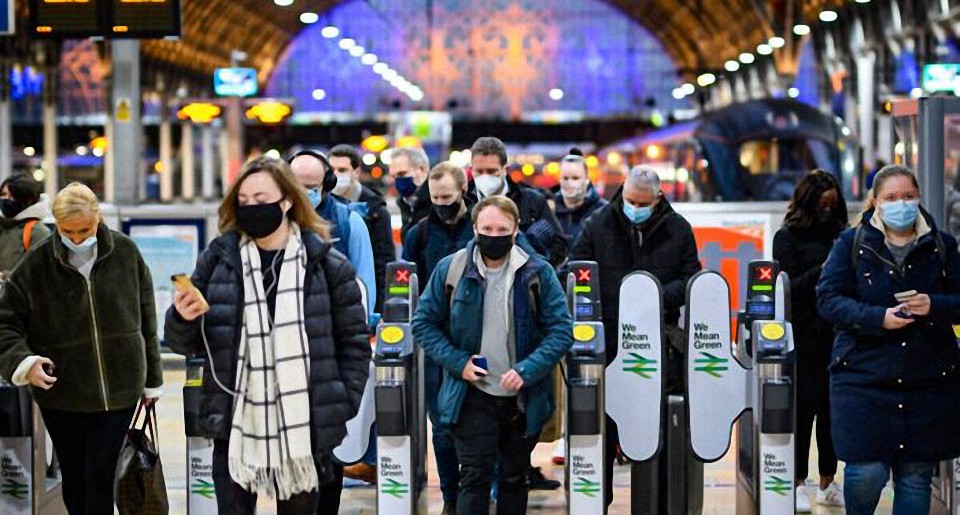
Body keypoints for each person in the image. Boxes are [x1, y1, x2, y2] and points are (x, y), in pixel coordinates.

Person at [165, 157, 371, 515]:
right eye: (243, 201)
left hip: (306, 427)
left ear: (287, 200)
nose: (251, 209)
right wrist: (182, 318)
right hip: (236, 425)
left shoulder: (327, 265)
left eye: (261, 199)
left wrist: (341, 403)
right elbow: (186, 343)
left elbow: (353, 344)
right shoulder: (218, 262)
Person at [0, 182, 163, 515]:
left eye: (84, 230)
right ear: (56, 225)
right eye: (67, 231)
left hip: (119, 389)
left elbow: (147, 316)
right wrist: (24, 362)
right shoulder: (37, 264)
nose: (76, 238)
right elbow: (5, 323)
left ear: (98, 218)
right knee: (75, 479)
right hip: (62, 392)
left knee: (100, 476)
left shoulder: (125, 252)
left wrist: (152, 380)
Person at [411, 196, 573, 515]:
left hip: (521, 397)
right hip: (472, 394)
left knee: (514, 478)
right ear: (475, 228)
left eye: (502, 229)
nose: (493, 234)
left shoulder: (537, 272)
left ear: (515, 232)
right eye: (487, 228)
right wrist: (459, 362)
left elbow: (562, 329)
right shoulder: (452, 268)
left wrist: (528, 369)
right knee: (473, 477)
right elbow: (423, 323)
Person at [817, 164, 960, 515]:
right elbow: (828, 299)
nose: (902, 204)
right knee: (866, 471)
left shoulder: (943, 246)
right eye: (892, 197)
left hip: (927, 380)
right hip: (862, 379)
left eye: (908, 196)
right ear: (875, 202)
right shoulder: (852, 244)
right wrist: (878, 318)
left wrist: (933, 305)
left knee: (915, 476)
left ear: (919, 198)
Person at [570, 165, 702, 508]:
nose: (634, 207)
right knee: (600, 429)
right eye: (630, 200)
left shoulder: (678, 229)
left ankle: (655, 501)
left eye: (642, 202)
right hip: (608, 345)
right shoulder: (598, 224)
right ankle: (598, 501)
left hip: (656, 344)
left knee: (653, 430)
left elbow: (692, 279)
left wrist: (653, 296)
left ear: (658, 198)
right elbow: (576, 273)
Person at [772, 170, 847, 512]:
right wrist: (825, 267)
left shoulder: (844, 236)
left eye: (832, 205)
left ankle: (829, 480)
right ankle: (798, 480)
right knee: (802, 410)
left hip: (837, 332)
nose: (827, 211)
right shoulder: (787, 237)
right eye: (822, 205)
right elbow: (789, 287)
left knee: (832, 410)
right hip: (802, 332)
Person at [401, 161, 474, 513]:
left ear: (463, 191)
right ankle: (451, 497)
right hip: (435, 344)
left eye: (447, 196)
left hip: (477, 338)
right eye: (435, 197)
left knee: (478, 423)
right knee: (442, 426)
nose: (441, 203)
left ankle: (477, 492)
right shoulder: (420, 235)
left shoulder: (481, 227)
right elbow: (404, 287)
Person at [289, 149, 376, 322]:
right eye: (298, 187)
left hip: (337, 324)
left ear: (326, 184)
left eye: (311, 187)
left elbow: (365, 284)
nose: (304, 194)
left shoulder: (349, 222)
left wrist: (361, 326)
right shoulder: (278, 222)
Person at [466, 137, 568, 268]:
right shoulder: (464, 203)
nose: (485, 176)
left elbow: (560, 247)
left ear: (505, 169)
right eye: (479, 171)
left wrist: (535, 267)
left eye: (491, 171)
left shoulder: (532, 201)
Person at [330, 144, 395, 314]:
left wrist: (379, 309)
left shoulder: (375, 209)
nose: (336, 175)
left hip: (366, 292)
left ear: (356, 172)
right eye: (332, 169)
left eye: (342, 169)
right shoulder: (324, 206)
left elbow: (384, 262)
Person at [0, 174, 52, 274]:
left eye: (12, 196)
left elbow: (40, 273)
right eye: (4, 194)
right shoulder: (2, 226)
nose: (6, 199)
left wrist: (4, 276)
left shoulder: (39, 232)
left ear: (29, 200)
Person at [553, 149, 607, 244]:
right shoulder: (549, 211)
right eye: (565, 178)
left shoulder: (604, 212)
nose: (569, 183)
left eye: (575, 178)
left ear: (586, 180)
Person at [389, 146, 432, 239]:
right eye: (394, 176)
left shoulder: (438, 199)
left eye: (402, 174)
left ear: (422, 169)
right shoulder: (404, 203)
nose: (397, 180)